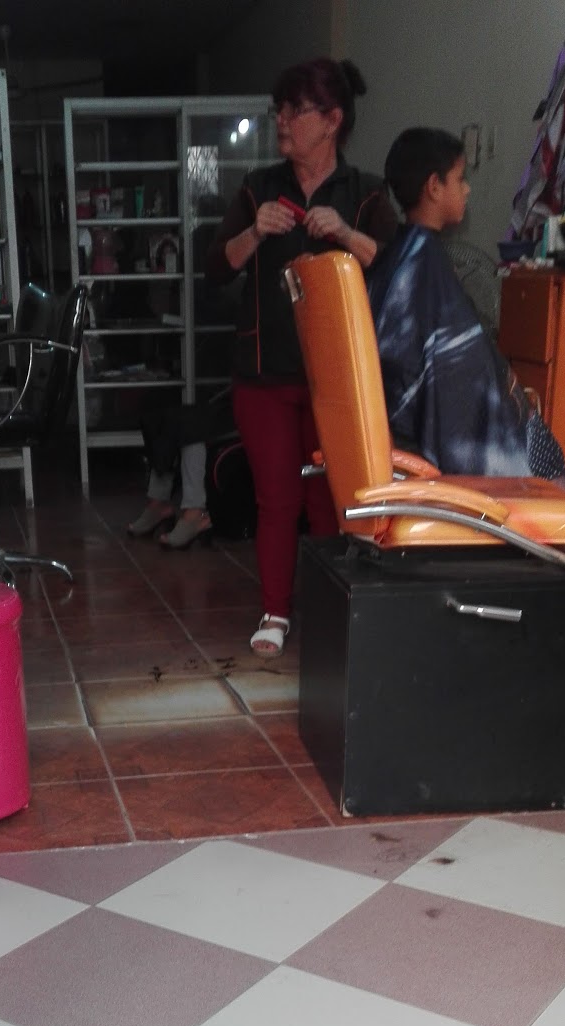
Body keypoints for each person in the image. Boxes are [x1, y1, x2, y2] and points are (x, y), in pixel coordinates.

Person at [207, 57, 396, 656]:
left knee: (332, 500)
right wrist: (254, 233)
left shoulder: (365, 193)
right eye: (279, 110)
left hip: (336, 378)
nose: (282, 121)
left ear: (332, 120)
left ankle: (330, 611)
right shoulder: (259, 188)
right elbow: (216, 267)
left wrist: (343, 233)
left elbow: (396, 268)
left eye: (296, 110)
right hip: (263, 372)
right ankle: (275, 612)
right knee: (277, 498)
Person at [369, 127, 565, 483]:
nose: (467, 189)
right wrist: (509, 394)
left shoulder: (396, 258)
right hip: (420, 441)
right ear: (434, 187)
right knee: (546, 457)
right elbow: (462, 381)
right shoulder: (425, 264)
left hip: (395, 424)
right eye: (460, 179)